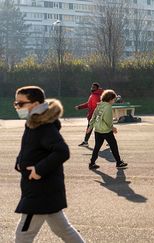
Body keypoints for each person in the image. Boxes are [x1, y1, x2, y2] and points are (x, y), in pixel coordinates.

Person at [13, 86, 84, 243]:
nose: (17, 107)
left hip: (40, 192)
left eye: (20, 103)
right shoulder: (33, 123)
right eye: (16, 103)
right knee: (63, 230)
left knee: (23, 235)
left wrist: (39, 169)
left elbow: (62, 151)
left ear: (36, 104)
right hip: (44, 190)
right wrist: (20, 161)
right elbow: (30, 148)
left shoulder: (43, 126)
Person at [87, 89, 128, 169]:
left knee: (97, 147)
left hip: (97, 130)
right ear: (110, 99)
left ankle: (92, 163)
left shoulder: (99, 105)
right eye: (113, 100)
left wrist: (90, 126)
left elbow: (94, 116)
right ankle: (119, 162)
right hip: (106, 130)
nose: (114, 101)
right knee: (113, 145)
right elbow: (108, 121)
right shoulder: (108, 107)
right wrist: (112, 128)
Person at [75, 82, 103, 147]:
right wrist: (79, 107)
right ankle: (86, 142)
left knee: (98, 129)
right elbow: (88, 104)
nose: (92, 88)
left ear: (97, 88)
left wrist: (96, 116)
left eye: (94, 87)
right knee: (99, 129)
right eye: (92, 87)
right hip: (92, 116)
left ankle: (85, 142)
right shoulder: (93, 95)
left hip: (94, 116)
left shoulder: (96, 96)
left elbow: (98, 107)